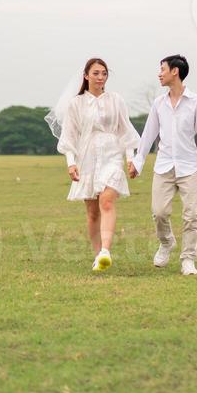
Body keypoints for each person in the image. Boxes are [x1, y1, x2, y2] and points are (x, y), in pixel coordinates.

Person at [46, 58, 139, 273]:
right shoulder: (75, 104)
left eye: (104, 73)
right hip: (86, 156)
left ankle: (106, 251)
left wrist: (130, 158)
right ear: (86, 76)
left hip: (112, 154)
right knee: (92, 212)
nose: (100, 77)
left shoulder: (116, 100)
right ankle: (98, 256)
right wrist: (71, 163)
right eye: (96, 73)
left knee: (106, 201)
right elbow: (69, 136)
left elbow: (125, 131)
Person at [128, 54, 197, 276]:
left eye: (162, 69)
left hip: (189, 167)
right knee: (159, 212)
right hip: (163, 165)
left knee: (191, 215)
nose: (159, 73)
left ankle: (188, 259)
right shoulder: (159, 103)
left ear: (175, 71)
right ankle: (166, 243)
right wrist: (138, 161)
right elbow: (148, 135)